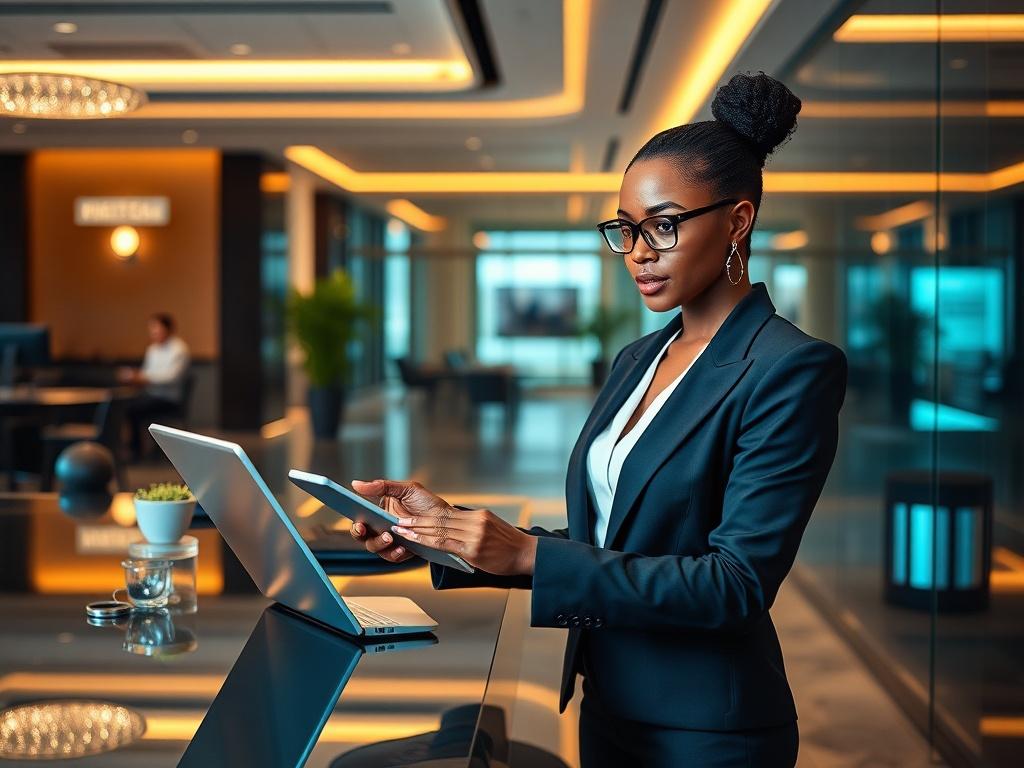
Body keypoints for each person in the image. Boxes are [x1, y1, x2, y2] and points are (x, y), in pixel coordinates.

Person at [350, 71, 847, 767]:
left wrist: (527, 554)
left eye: (664, 225)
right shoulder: (638, 357)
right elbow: (607, 539)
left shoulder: (790, 368)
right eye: (626, 229)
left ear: (738, 221)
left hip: (707, 730)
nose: (639, 252)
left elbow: (735, 583)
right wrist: (448, 532)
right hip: (607, 703)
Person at [118, 313, 190, 459]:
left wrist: (144, 378)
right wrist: (135, 376)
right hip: (151, 395)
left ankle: (136, 451)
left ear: (168, 330)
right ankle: (133, 447)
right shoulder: (153, 349)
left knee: (133, 410)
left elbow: (171, 377)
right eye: (152, 329)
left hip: (169, 399)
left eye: (157, 329)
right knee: (123, 405)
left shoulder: (179, 349)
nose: (153, 333)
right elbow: (147, 373)